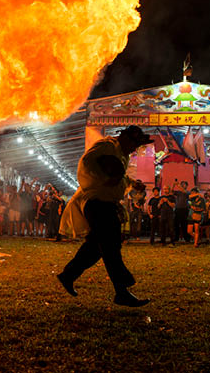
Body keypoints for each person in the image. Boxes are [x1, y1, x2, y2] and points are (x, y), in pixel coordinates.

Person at [57, 125, 153, 307]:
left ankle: (68, 275)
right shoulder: (107, 146)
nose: (134, 149)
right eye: (134, 144)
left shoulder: (121, 154)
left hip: (103, 203)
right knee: (110, 244)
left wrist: (132, 183)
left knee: (96, 246)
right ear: (126, 138)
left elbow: (117, 176)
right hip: (96, 202)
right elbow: (88, 162)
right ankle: (121, 290)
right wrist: (103, 178)